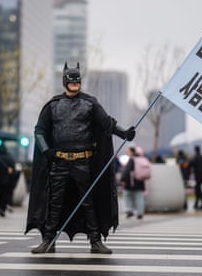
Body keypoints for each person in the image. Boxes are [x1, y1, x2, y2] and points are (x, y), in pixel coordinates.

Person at [25, 62, 135, 254]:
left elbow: (106, 124)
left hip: (83, 162)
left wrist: (124, 133)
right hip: (59, 162)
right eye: (72, 81)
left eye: (77, 82)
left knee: (88, 201)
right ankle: (48, 240)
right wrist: (46, 151)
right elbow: (40, 130)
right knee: (55, 202)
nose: (75, 84)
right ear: (65, 82)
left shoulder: (90, 103)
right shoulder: (53, 105)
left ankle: (95, 241)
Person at [120, 146, 147, 219]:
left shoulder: (131, 160)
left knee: (127, 195)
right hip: (140, 181)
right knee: (140, 197)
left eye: (128, 151)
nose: (127, 152)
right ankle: (140, 213)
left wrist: (122, 179)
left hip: (131, 182)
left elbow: (126, 171)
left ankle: (129, 210)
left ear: (132, 152)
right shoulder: (142, 159)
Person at [0, 144, 15, 217]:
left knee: (0, 194)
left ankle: (0, 207)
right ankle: (3, 208)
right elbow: (13, 168)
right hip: (7, 180)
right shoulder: (9, 157)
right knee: (5, 194)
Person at [189, 145, 202, 211]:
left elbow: (190, 164)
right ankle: (197, 204)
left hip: (198, 176)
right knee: (197, 189)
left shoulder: (196, 157)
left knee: (198, 189)